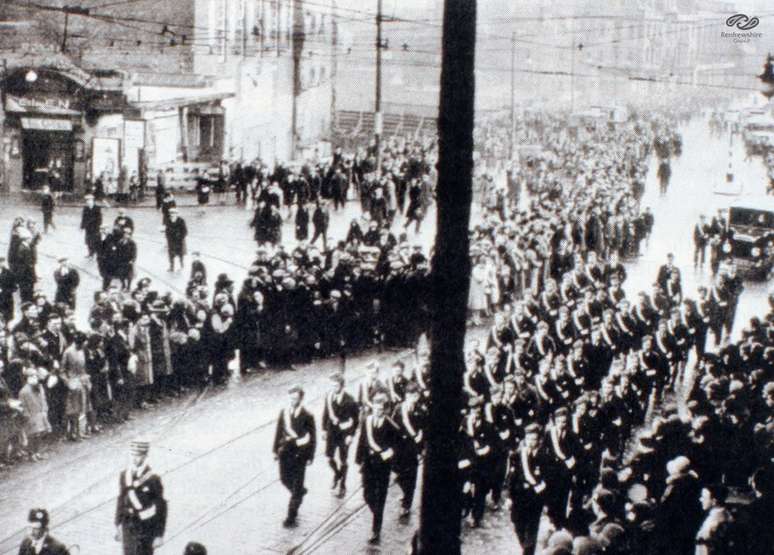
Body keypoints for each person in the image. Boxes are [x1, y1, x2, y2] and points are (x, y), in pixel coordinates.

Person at [355, 391, 398, 545]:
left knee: (380, 497)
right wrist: (358, 460)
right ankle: (377, 514)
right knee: (367, 494)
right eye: (375, 408)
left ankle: (376, 529)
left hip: (383, 468)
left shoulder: (391, 425)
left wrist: (388, 456)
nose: (378, 411)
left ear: (384, 409)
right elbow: (362, 441)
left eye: (381, 409)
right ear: (372, 407)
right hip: (368, 465)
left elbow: (396, 445)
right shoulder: (367, 421)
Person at [273, 385, 316, 528]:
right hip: (285, 453)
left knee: (297, 486)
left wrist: (310, 456)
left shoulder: (307, 416)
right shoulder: (284, 412)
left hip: (300, 455)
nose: (293, 401)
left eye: (296, 399)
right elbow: (278, 431)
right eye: (291, 398)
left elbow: (312, 437)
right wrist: (275, 450)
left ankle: (291, 516)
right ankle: (299, 493)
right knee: (284, 479)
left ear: (301, 399)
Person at [115, 439, 167, 555]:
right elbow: (121, 499)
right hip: (128, 524)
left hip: (146, 526)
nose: (134, 458)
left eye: (138, 456)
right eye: (132, 455)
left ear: (145, 456)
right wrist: (118, 522)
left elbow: (161, 507)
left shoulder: (153, 479)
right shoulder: (125, 475)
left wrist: (159, 534)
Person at [508, 423, 546, 555]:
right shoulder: (517, 455)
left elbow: (548, 477)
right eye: (529, 439)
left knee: (532, 528)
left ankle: (528, 552)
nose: (531, 442)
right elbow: (512, 477)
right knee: (518, 525)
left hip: (535, 499)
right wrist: (509, 497)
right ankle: (525, 547)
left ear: (539, 440)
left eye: (534, 439)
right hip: (519, 497)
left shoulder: (544, 456)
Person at [392, 382, 426, 520]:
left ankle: (406, 505)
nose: (413, 397)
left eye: (416, 395)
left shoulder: (421, 410)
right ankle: (406, 493)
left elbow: (425, 428)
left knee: (411, 477)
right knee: (397, 474)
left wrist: (422, 447)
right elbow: (392, 427)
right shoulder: (399, 408)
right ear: (406, 395)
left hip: (413, 449)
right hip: (399, 447)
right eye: (411, 394)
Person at [322, 372, 359, 498]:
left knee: (343, 460)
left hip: (344, 433)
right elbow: (325, 414)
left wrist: (351, 435)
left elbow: (355, 420)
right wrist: (323, 430)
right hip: (332, 432)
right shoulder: (328, 396)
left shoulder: (350, 401)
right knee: (329, 458)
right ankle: (337, 474)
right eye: (332, 386)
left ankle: (343, 485)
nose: (334, 388)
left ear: (342, 386)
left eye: (336, 386)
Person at [695, 484, 733, 555]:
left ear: (714, 501)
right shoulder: (724, 514)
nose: (700, 499)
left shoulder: (715, 521)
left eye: (704, 497)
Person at [80, 194, 102, 259]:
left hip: (95, 227)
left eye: (89, 200)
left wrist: (99, 226)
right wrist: (82, 227)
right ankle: (90, 254)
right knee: (88, 241)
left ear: (92, 200)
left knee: (95, 241)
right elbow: (83, 218)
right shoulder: (85, 208)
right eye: (87, 200)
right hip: (88, 228)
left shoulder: (97, 208)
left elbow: (99, 218)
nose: (88, 202)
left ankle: (96, 253)